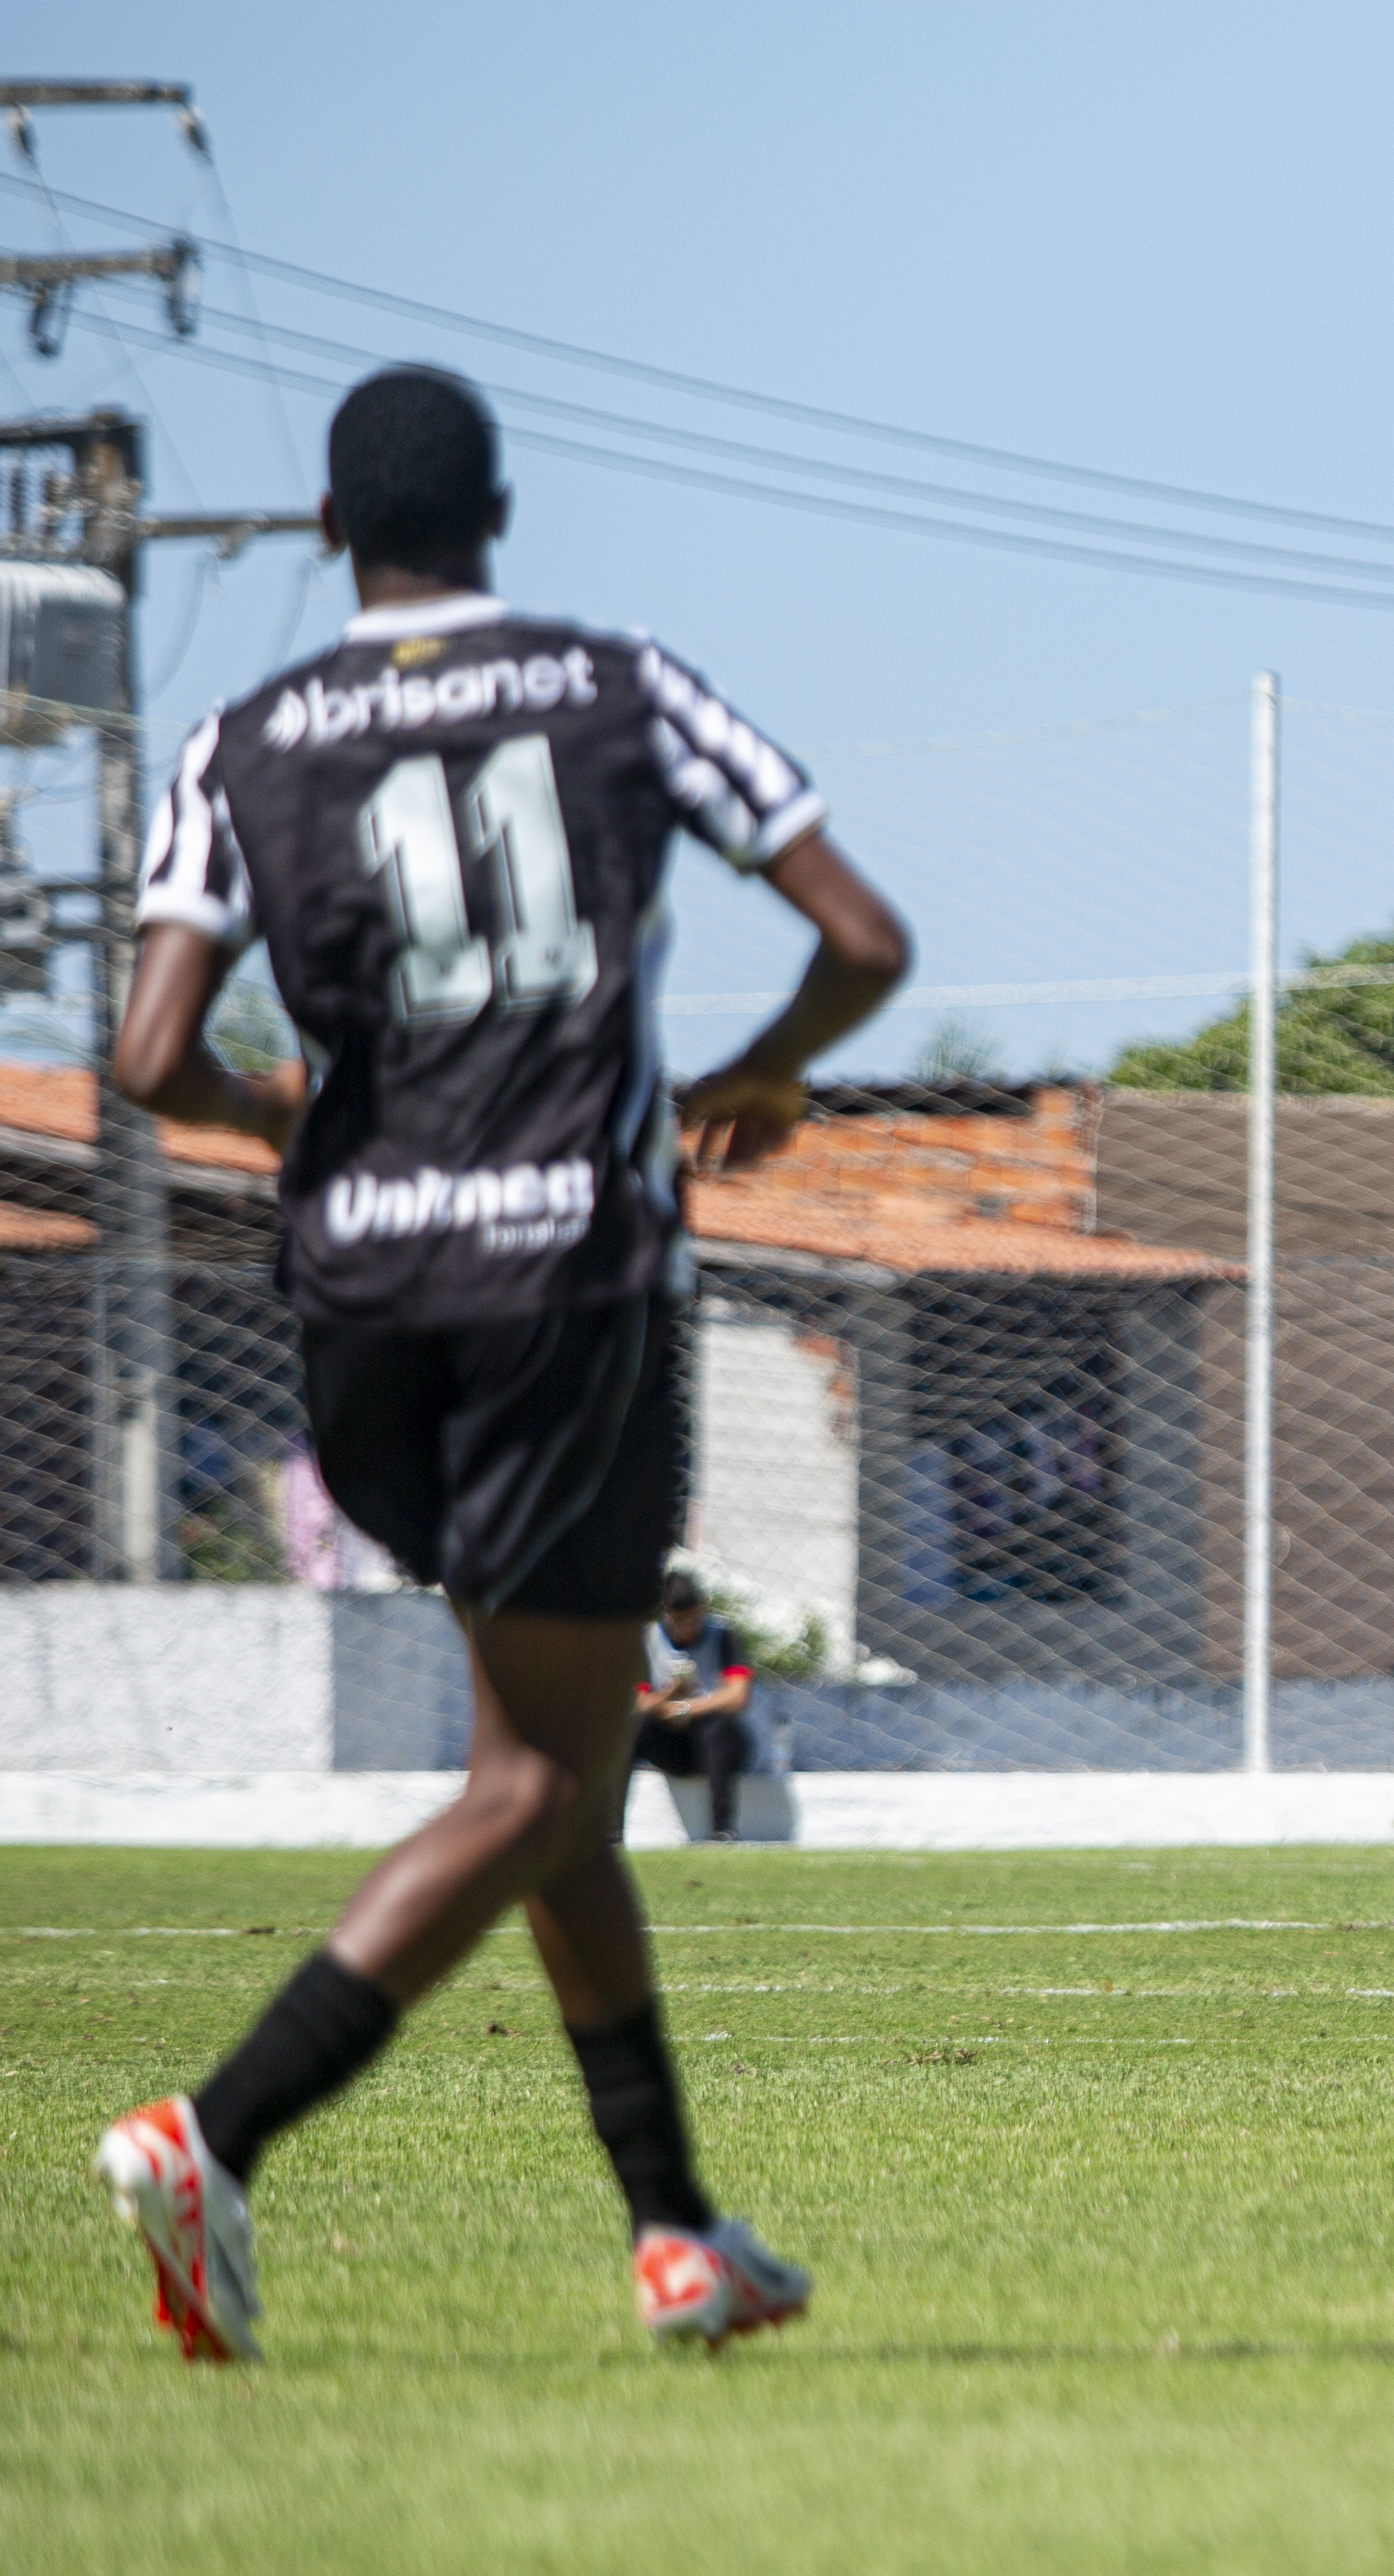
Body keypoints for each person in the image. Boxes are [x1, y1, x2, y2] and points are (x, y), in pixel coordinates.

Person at [90, 365, 908, 2360]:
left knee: (552, 1766)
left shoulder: (246, 735)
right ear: (503, 514)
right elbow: (863, 934)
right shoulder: (617, 687)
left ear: (323, 532)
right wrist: (758, 1078)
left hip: (361, 1315)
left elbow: (144, 1057)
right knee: (548, 1773)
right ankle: (215, 2133)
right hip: (566, 1283)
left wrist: (297, 1127)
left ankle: (678, 2234)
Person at [632, 1571, 759, 1842]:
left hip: (717, 1747)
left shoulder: (723, 1636)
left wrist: (687, 1707)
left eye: (694, 1616)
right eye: (680, 1619)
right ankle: (611, 1832)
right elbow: (638, 1704)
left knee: (717, 1729)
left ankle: (722, 1828)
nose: (689, 1625)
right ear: (666, 1613)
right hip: (671, 1745)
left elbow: (737, 1696)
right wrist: (668, 1695)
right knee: (633, 1730)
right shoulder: (648, 1640)